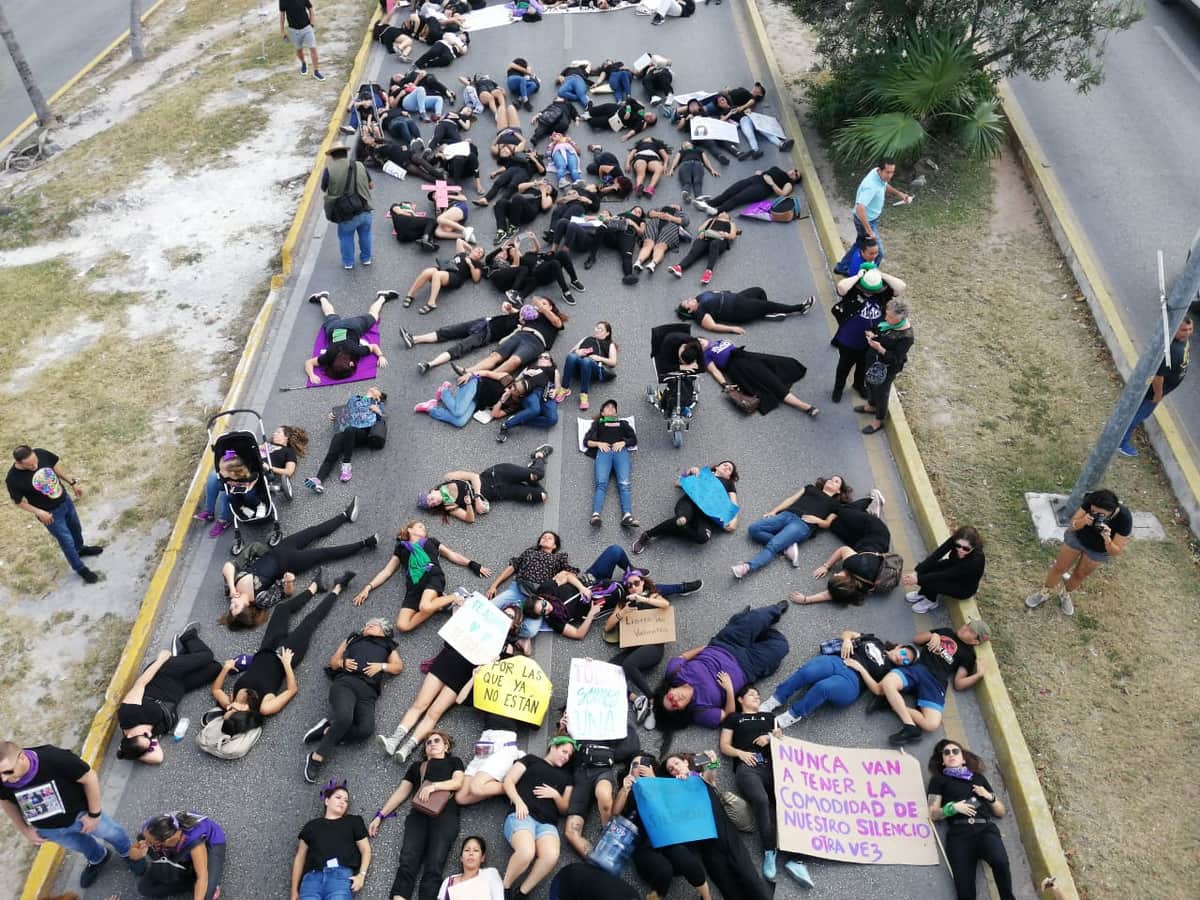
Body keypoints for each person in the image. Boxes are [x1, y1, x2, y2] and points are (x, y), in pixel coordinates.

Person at [210, 573, 355, 738]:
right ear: (243, 712)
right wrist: (286, 663)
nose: (227, 708)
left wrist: (225, 668)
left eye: (226, 711)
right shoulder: (264, 707)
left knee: (281, 609)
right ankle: (338, 588)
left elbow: (215, 689)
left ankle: (313, 588)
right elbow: (292, 690)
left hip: (266, 648)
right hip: (286, 656)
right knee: (310, 621)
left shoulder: (231, 701)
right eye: (231, 711)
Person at [378, 605, 524, 762]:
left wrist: (493, 663)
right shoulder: (480, 622)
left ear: (514, 625)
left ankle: (408, 748)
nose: (504, 617)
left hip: (464, 674)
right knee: (420, 703)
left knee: (434, 713)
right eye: (503, 613)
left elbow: (499, 674)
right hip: (448, 660)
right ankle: (394, 740)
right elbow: (455, 633)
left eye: (509, 617)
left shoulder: (506, 647)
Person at [0, 741, 145, 888]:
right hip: (49, 829)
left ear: (22, 758)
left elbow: (89, 777)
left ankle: (128, 852)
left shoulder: (53, 758)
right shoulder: (2, 778)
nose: (4, 779)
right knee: (82, 846)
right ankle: (99, 858)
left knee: (112, 833)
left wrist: (94, 815)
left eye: (8, 772)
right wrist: (25, 829)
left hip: (80, 815)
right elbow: (6, 801)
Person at [219, 498, 374, 629]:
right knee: (325, 553)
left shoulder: (232, 587)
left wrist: (232, 587)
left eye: (231, 607)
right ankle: (364, 543)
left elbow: (228, 566)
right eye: (236, 607)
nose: (232, 604)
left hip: (280, 548)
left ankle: (346, 515)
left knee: (313, 531)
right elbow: (286, 593)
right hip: (290, 563)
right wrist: (288, 581)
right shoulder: (260, 600)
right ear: (246, 608)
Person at [653, 602, 790, 745]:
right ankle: (742, 622)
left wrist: (705, 648)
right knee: (781, 646)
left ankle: (767, 614)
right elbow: (728, 716)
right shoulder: (700, 713)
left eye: (670, 698)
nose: (676, 699)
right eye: (675, 705)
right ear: (681, 710)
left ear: (669, 690)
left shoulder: (674, 673)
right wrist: (729, 690)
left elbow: (683, 657)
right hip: (748, 667)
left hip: (725, 644)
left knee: (759, 617)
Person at [301, 618, 404, 782]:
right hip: (346, 684)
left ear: (384, 631)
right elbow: (333, 662)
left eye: (374, 624)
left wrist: (382, 666)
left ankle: (328, 729)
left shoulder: (387, 644)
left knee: (365, 730)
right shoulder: (353, 638)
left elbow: (398, 666)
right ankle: (316, 757)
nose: (368, 625)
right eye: (367, 623)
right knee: (344, 718)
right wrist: (342, 663)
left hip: (368, 693)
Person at [370, 731, 465, 900]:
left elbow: (458, 782)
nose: (432, 744)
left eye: (437, 740)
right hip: (418, 816)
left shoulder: (454, 762)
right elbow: (401, 793)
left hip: (445, 817)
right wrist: (380, 815)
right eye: (428, 743)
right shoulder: (417, 767)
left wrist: (434, 786)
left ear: (446, 746)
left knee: (434, 866)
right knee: (407, 862)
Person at [351, 520, 492, 632]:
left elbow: (451, 554)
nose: (423, 528)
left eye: (424, 528)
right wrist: (368, 587)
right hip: (414, 586)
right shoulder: (401, 548)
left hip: (432, 577)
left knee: (425, 606)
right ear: (409, 529)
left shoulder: (431, 542)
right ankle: (439, 604)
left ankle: (456, 596)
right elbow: (387, 571)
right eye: (420, 526)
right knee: (402, 625)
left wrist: (473, 564)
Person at [759, 630, 917, 728]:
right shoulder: (876, 641)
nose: (901, 658)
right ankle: (776, 699)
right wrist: (847, 640)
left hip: (853, 681)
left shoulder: (890, 671)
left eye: (906, 661)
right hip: (839, 661)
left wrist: (860, 668)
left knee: (823, 687)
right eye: (904, 653)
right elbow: (848, 633)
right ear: (899, 647)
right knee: (808, 671)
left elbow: (877, 689)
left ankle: (793, 715)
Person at [611, 754, 715, 900]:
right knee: (663, 870)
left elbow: (674, 809)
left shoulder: (663, 783)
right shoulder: (628, 788)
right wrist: (625, 788)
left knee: (687, 860)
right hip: (643, 843)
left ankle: (706, 897)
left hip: (666, 837)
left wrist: (653, 781)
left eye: (644, 764)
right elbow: (615, 813)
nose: (639, 767)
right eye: (635, 765)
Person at [117, 626, 220, 764]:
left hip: (164, 674)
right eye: (150, 742)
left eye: (145, 735)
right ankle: (183, 656)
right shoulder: (144, 738)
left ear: (129, 735)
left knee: (207, 656)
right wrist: (133, 753)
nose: (150, 735)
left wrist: (161, 660)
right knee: (216, 668)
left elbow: (140, 683)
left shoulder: (128, 714)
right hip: (180, 688)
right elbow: (158, 758)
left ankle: (187, 637)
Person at [876, 620, 990, 746]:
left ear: (976, 641)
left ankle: (892, 704)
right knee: (888, 682)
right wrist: (933, 635)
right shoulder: (946, 632)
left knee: (932, 724)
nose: (965, 628)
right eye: (967, 625)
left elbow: (959, 683)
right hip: (919, 669)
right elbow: (916, 639)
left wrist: (978, 675)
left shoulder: (969, 655)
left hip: (936, 682)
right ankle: (910, 725)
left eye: (971, 631)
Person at [927, 739, 1015, 900]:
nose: (951, 754)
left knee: (1000, 861)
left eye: (955, 751)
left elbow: (1001, 812)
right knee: (965, 891)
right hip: (959, 835)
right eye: (946, 753)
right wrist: (952, 808)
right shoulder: (938, 780)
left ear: (963, 758)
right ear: (943, 761)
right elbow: (933, 813)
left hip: (984, 829)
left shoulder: (978, 778)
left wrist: (989, 796)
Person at [717, 682, 786, 880]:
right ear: (740, 699)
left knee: (785, 803)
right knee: (762, 801)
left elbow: (782, 740)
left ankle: (794, 856)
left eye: (758, 695)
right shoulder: (734, 719)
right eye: (751, 694)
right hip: (748, 768)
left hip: (773, 767)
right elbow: (724, 746)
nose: (756, 697)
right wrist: (740, 753)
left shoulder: (770, 717)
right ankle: (769, 850)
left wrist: (770, 737)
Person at [1023, 489, 1130, 616]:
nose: (1095, 515)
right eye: (1093, 511)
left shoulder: (1124, 518)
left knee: (1080, 574)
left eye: (1100, 514)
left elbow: (1115, 551)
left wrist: (1107, 538)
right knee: (1060, 567)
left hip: (1099, 550)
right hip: (1078, 538)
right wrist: (1084, 521)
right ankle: (1044, 593)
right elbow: (1072, 525)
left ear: (1112, 511)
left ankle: (1065, 594)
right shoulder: (1091, 500)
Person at [6, 444, 102, 584]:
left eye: (35, 462)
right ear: (18, 463)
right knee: (66, 541)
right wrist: (39, 512)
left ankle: (80, 549)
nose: (35, 466)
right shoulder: (13, 479)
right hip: (50, 515)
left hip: (65, 501)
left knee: (76, 529)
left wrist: (72, 483)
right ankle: (80, 568)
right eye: (30, 466)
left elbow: (54, 467)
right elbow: (18, 502)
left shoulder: (41, 453)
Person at [731, 475, 848, 578]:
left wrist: (816, 520)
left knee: (773, 546)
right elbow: (791, 499)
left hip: (803, 524)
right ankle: (787, 548)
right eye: (831, 479)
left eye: (836, 481)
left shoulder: (836, 505)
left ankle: (746, 567)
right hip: (787, 514)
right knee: (753, 529)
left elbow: (827, 523)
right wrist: (774, 511)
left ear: (838, 491)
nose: (831, 481)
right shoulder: (810, 488)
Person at [197, 425, 307, 534]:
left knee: (230, 490)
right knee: (213, 476)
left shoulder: (287, 451)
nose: (274, 434)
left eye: (278, 432)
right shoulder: (265, 445)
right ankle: (209, 511)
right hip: (243, 468)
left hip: (259, 473)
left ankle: (223, 520)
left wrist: (270, 468)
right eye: (275, 432)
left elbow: (289, 471)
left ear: (286, 437)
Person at [501, 738, 575, 899]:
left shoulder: (567, 777)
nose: (566, 757)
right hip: (523, 815)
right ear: (553, 747)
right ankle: (504, 888)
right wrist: (519, 802)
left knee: (551, 855)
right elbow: (508, 781)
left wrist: (556, 795)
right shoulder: (531, 760)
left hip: (547, 823)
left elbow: (564, 808)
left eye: (569, 755)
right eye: (564, 751)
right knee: (527, 852)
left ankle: (522, 893)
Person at [830, 261, 905, 402]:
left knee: (863, 366)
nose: (869, 293)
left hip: (871, 341)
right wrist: (859, 276)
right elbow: (841, 287)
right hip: (849, 340)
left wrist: (880, 275)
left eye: (872, 291)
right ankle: (838, 388)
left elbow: (901, 286)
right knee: (844, 367)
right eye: (866, 290)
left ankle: (858, 385)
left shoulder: (882, 293)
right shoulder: (853, 291)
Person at [417, 446, 554, 521]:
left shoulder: (448, 478)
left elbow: (474, 477)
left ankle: (539, 455)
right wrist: (469, 504)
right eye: (432, 505)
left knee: (538, 475)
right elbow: (469, 519)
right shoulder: (450, 507)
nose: (433, 502)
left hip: (497, 474)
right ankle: (529, 475)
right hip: (502, 492)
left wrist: (476, 498)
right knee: (542, 496)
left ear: (432, 491)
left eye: (429, 499)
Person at [1119, 316, 1192, 456]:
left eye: (1190, 329)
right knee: (1138, 416)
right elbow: (1158, 376)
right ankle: (1121, 442)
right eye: (1184, 330)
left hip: (1160, 391)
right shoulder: (1170, 351)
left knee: (1137, 413)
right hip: (1152, 393)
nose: (1188, 333)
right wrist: (1157, 395)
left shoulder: (1182, 341)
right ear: (1175, 328)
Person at [633, 460, 740, 552]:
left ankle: (675, 526)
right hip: (689, 504)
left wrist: (733, 520)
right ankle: (648, 535)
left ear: (729, 476)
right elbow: (677, 483)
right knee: (682, 518)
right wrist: (688, 472)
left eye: (730, 469)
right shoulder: (703, 474)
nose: (727, 467)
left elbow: (734, 504)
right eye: (725, 464)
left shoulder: (729, 484)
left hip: (706, 516)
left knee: (703, 537)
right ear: (717, 467)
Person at [290, 780, 371, 900]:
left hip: (339, 878)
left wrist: (361, 875)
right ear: (327, 801)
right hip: (311, 881)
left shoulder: (353, 822)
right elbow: (300, 857)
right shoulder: (312, 826)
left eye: (346, 800)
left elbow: (366, 849)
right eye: (338, 797)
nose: (343, 802)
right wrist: (294, 891)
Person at [486, 531, 576, 639]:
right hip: (519, 588)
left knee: (530, 631)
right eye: (543, 537)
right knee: (488, 608)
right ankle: (510, 629)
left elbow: (570, 573)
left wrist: (563, 576)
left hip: (538, 598)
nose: (545, 538)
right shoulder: (530, 552)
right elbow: (513, 567)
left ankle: (510, 634)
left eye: (550, 538)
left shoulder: (559, 558)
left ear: (555, 545)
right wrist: (494, 585)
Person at [834, 157, 911, 274]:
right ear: (880, 170)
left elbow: (884, 185)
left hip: (871, 219)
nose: (890, 176)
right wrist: (869, 230)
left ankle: (841, 267)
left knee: (860, 244)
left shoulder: (878, 175)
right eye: (888, 172)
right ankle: (869, 276)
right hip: (865, 221)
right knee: (878, 252)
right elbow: (860, 208)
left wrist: (900, 194)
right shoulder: (871, 186)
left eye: (892, 172)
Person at [128, 811, 226, 900]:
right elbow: (132, 852)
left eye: (150, 842)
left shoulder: (194, 840)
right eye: (145, 838)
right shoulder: (151, 829)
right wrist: (139, 854)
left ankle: (211, 884)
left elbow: (202, 876)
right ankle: (191, 883)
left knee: (206, 895)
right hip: (176, 851)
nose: (145, 842)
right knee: (145, 889)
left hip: (211, 844)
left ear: (167, 841)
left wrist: (202, 884)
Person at [303, 290, 392, 385]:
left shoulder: (355, 351)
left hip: (352, 327)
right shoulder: (329, 356)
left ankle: (383, 296)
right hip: (335, 328)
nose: (352, 364)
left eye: (350, 365)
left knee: (373, 316)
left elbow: (374, 347)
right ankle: (322, 298)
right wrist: (311, 375)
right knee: (329, 314)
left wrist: (381, 356)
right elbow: (309, 362)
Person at [305, 388, 385, 492]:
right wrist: (334, 415)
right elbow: (344, 413)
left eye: (377, 389)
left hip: (363, 433)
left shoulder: (377, 403)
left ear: (378, 396)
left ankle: (346, 465)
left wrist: (378, 411)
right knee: (335, 445)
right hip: (348, 432)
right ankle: (318, 480)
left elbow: (382, 419)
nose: (374, 388)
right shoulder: (355, 399)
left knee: (349, 430)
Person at [404, 303, 520, 375]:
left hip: (487, 334)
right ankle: (414, 339)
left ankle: (429, 364)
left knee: (460, 348)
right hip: (484, 322)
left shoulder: (522, 329)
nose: (521, 315)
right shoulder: (522, 314)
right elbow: (512, 312)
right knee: (449, 331)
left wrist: (517, 330)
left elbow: (503, 341)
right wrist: (509, 309)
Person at [855, 296, 914, 434]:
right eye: (886, 315)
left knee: (881, 392)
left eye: (890, 317)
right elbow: (880, 331)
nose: (886, 319)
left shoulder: (906, 336)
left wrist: (880, 348)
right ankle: (871, 405)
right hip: (873, 360)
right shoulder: (889, 323)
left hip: (886, 368)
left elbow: (896, 359)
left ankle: (879, 420)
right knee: (869, 383)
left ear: (900, 318)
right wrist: (873, 334)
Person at [904, 525, 986, 614]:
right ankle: (924, 593)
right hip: (952, 567)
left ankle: (931, 601)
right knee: (927, 568)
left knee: (931, 580)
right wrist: (916, 572)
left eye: (966, 548)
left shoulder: (975, 561)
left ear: (973, 547)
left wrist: (918, 580)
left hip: (963, 586)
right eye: (958, 545)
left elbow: (945, 575)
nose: (960, 550)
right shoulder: (956, 539)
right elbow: (937, 554)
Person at [583, 400, 638, 527]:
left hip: (620, 452)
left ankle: (627, 515)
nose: (611, 409)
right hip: (604, 452)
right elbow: (587, 441)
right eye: (607, 407)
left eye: (614, 408)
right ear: (602, 413)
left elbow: (633, 439)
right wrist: (599, 444)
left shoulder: (623, 423)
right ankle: (595, 515)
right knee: (601, 483)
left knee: (624, 484)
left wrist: (623, 442)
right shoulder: (598, 424)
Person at [322, 145, 374, 269]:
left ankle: (348, 263)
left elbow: (324, 188)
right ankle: (366, 258)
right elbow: (371, 185)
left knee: (345, 237)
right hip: (365, 208)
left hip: (345, 213)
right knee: (365, 234)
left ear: (332, 156)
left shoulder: (329, 169)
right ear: (346, 153)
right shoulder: (359, 165)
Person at [677, 287, 813, 333]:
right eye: (687, 303)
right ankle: (800, 308)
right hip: (738, 310)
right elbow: (713, 326)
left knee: (759, 291)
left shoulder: (699, 298)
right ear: (689, 311)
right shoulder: (699, 314)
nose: (690, 299)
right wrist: (733, 329)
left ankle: (763, 314)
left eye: (687, 299)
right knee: (770, 305)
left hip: (738, 297)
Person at [403, 240, 486, 314]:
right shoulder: (463, 254)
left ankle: (431, 303)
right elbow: (459, 241)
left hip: (456, 277)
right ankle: (410, 295)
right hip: (446, 269)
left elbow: (476, 279)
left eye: (480, 253)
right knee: (427, 272)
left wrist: (470, 264)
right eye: (478, 249)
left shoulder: (477, 264)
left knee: (437, 274)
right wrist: (471, 249)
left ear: (480, 258)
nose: (478, 251)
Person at [495, 351, 560, 442]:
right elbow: (516, 380)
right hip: (531, 391)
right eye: (540, 357)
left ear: (551, 361)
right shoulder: (530, 367)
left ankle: (521, 418)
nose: (542, 358)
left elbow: (558, 386)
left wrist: (555, 391)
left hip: (547, 392)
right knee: (535, 409)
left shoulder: (554, 369)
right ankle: (506, 425)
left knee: (552, 419)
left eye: (546, 357)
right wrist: (525, 374)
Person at [558, 321, 617, 411]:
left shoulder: (610, 344)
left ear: (607, 333)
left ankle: (584, 394)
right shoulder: (587, 338)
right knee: (571, 356)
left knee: (586, 361)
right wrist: (577, 351)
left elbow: (613, 362)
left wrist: (599, 358)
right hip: (578, 366)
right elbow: (571, 352)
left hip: (593, 368)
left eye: (600, 329)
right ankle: (564, 388)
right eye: (596, 327)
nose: (597, 330)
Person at [693, 166, 801, 215]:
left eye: (796, 175)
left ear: (795, 180)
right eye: (795, 171)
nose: (794, 173)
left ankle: (717, 211)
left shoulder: (789, 183)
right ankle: (708, 204)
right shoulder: (779, 169)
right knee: (729, 192)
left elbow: (782, 194)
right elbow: (769, 174)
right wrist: (762, 172)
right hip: (754, 179)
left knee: (738, 198)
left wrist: (771, 183)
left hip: (762, 189)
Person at [666, 211, 737, 284]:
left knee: (714, 244)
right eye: (722, 212)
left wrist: (726, 235)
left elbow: (732, 235)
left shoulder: (731, 223)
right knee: (697, 247)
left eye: (726, 213)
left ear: (729, 218)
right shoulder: (711, 220)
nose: (723, 213)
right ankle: (679, 267)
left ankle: (708, 271)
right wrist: (702, 232)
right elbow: (700, 229)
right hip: (707, 237)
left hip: (720, 240)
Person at [435, 836, 505, 900]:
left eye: (476, 850)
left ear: (482, 858)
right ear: (461, 858)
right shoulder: (448, 882)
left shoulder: (490, 875)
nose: (471, 853)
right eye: (467, 850)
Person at [280, 0, 324, 81]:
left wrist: (312, 23)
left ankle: (316, 71)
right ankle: (303, 63)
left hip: (307, 27)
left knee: (313, 48)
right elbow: (282, 15)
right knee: (299, 50)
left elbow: (310, 8)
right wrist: (282, 31)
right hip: (293, 30)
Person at [667, 140, 720, 206]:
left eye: (687, 143)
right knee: (687, 182)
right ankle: (686, 194)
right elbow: (676, 159)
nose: (685, 144)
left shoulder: (699, 150)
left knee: (697, 182)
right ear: (682, 147)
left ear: (692, 145)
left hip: (698, 164)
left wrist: (712, 169)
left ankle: (699, 199)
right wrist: (672, 169)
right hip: (685, 164)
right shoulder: (681, 151)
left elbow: (706, 160)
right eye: (684, 144)